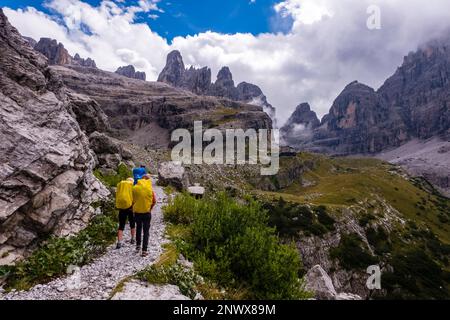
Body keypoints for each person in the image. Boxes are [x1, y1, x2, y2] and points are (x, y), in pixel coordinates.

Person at [132, 174, 157, 257]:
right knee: (146, 232)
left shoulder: (135, 188)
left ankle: (138, 246)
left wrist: (134, 207)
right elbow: (154, 201)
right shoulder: (150, 190)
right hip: (147, 213)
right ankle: (144, 250)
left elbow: (132, 200)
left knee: (138, 228)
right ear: (148, 180)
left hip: (137, 213)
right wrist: (150, 208)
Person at [115, 177, 135, 249]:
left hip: (122, 208)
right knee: (132, 224)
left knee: (121, 225)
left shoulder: (121, 187)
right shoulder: (131, 187)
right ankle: (132, 239)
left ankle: (119, 242)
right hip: (130, 208)